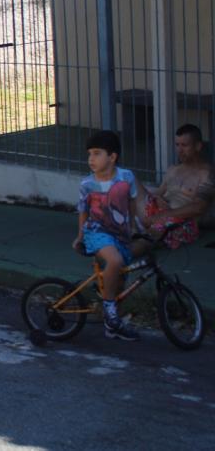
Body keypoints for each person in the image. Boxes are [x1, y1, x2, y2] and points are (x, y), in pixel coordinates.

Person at [73, 130, 143, 341]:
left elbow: (132, 203)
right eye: (89, 154)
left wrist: (133, 227)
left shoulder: (126, 177)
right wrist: (80, 236)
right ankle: (109, 307)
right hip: (96, 232)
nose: (91, 159)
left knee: (119, 278)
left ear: (112, 157)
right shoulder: (87, 184)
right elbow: (83, 211)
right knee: (115, 261)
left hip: (119, 233)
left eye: (97, 153)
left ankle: (112, 323)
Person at [142, 123, 213, 249]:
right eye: (177, 145)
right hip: (160, 214)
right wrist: (157, 198)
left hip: (183, 223)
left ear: (198, 146)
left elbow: (198, 208)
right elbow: (158, 193)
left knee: (147, 236)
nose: (179, 150)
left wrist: (165, 215)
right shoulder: (173, 170)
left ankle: (122, 254)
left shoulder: (206, 174)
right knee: (129, 183)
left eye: (184, 145)